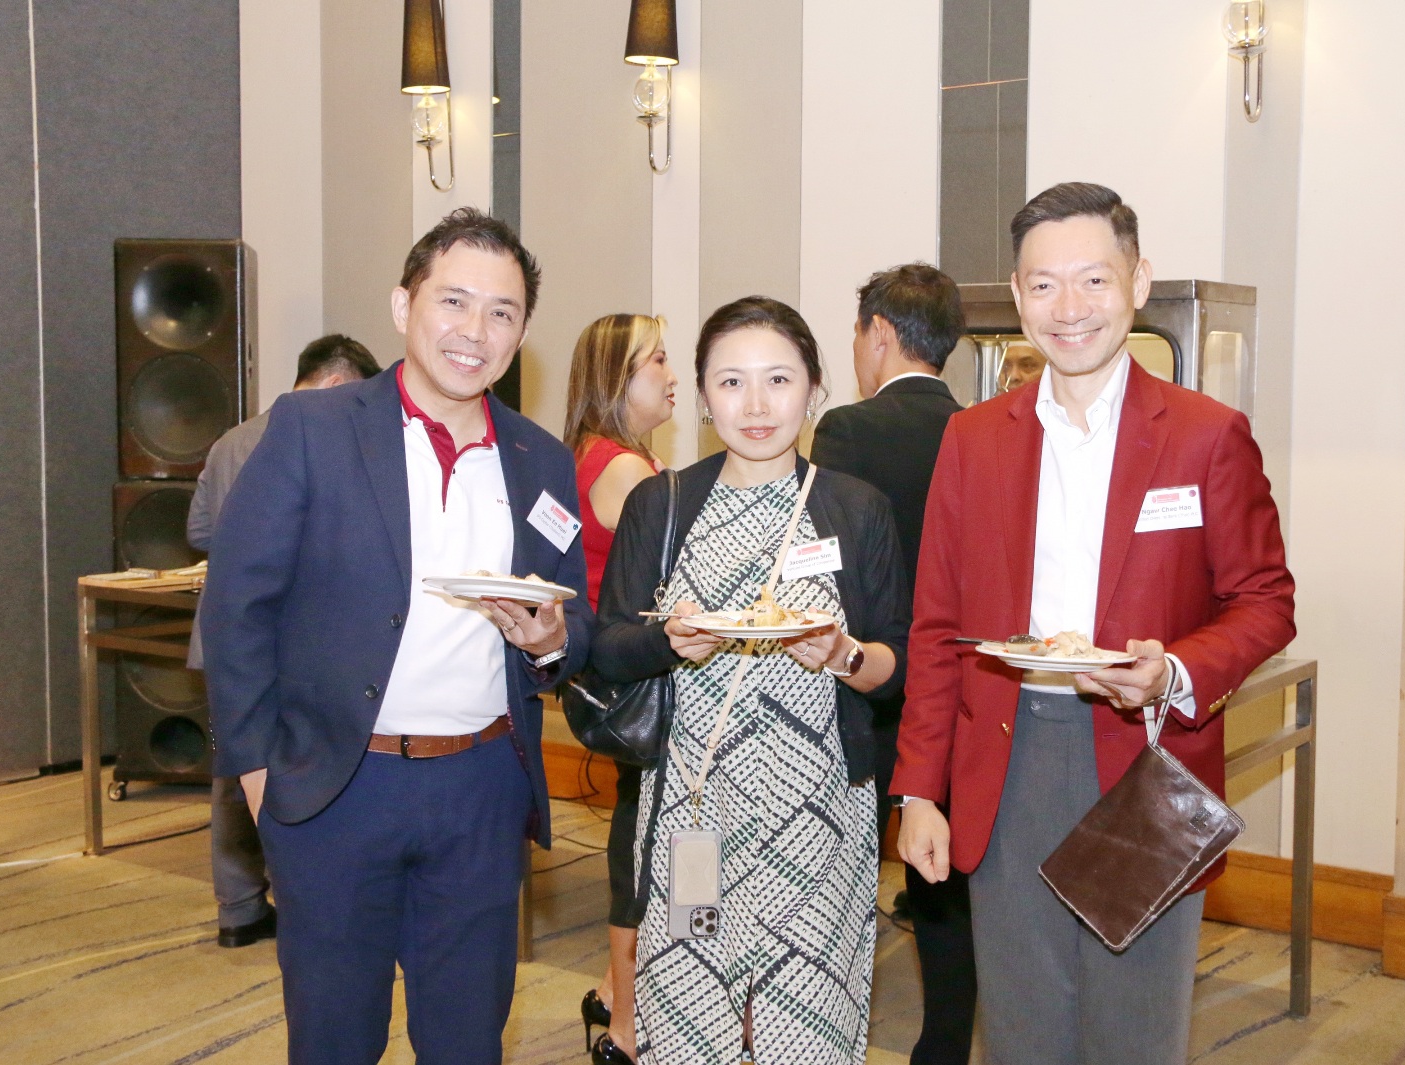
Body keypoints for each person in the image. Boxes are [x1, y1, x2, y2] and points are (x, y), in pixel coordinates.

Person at [893, 182, 1296, 1064]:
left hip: (1144, 761)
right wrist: (919, 787)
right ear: (1017, 294)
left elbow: (1266, 598)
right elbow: (937, 625)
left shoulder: (1205, 435)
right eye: (1043, 285)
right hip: (1007, 760)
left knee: (1135, 1031)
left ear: (1138, 282)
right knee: (1023, 1028)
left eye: (1094, 280)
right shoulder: (972, 438)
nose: (1068, 308)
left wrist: (1173, 670)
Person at [201, 207, 592, 1065]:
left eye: (501, 312)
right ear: (403, 304)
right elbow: (235, 613)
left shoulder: (541, 459)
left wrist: (551, 641)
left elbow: (577, 615)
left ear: (522, 332)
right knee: (335, 1040)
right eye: (454, 301)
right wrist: (264, 784)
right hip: (338, 788)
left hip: (482, 788)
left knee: (467, 1042)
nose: (475, 331)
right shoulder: (313, 430)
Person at [592, 297, 911, 1065]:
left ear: (815, 389)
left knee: (808, 1030)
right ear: (704, 397)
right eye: (732, 382)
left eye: (779, 379)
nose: (757, 405)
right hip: (694, 817)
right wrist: (668, 639)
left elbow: (897, 662)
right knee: (691, 1023)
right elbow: (607, 649)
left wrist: (841, 654)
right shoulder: (662, 504)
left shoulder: (855, 508)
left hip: (820, 822)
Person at [808, 263, 977, 1065]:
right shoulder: (982, 428)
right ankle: (943, 1043)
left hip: (869, 679)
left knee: (844, 869)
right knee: (940, 876)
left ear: (878, 332)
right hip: (956, 686)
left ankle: (825, 1028)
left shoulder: (848, 429)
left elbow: (826, 564)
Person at [186, 334, 380, 949]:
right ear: (334, 383)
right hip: (292, 637)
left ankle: (238, 908)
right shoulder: (325, 442)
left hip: (225, 640)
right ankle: (312, 899)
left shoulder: (229, 440)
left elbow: (198, 530)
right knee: (309, 767)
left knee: (233, 774)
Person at [562, 313, 676, 1065]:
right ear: (617, 377)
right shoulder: (628, 471)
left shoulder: (591, 456)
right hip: (634, 682)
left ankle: (612, 993)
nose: (673, 375)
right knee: (644, 839)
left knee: (639, 829)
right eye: (656, 360)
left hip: (604, 676)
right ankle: (628, 1028)